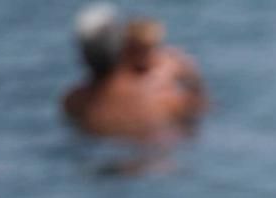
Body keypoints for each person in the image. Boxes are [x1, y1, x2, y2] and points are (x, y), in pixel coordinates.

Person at [61, 15, 207, 142]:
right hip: (158, 155)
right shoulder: (164, 100)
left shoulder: (73, 101)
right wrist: (193, 79)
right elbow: (198, 114)